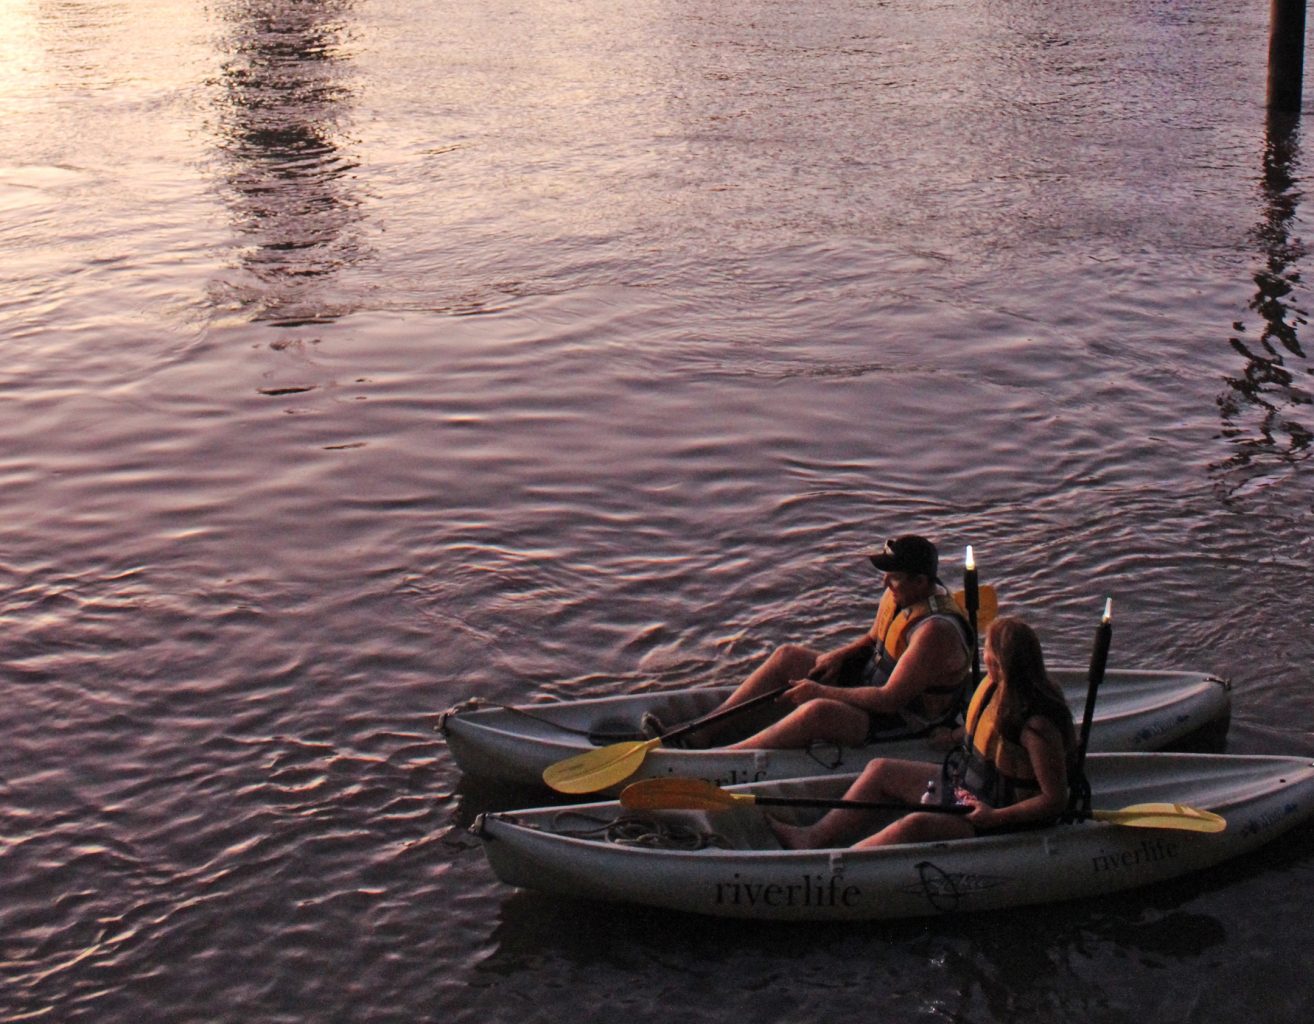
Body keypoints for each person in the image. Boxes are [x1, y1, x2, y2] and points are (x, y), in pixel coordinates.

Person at [771, 616, 1076, 849]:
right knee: (880, 769)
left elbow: (1054, 799)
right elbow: (987, 733)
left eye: (987, 651)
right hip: (967, 789)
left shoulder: (1036, 726)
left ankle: (838, 864)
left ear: (999, 663)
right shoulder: (995, 687)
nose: (982, 655)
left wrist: (993, 817)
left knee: (915, 825)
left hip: (998, 816)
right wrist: (955, 736)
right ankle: (812, 838)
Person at [653, 535, 974, 750]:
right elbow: (874, 638)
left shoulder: (935, 633)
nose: (885, 581)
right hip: (870, 684)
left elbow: (889, 700)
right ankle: (702, 730)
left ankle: (722, 759)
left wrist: (818, 691)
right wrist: (838, 655)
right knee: (787, 657)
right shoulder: (902, 594)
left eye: (893, 576)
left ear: (920, 581)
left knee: (817, 711)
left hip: (903, 719)